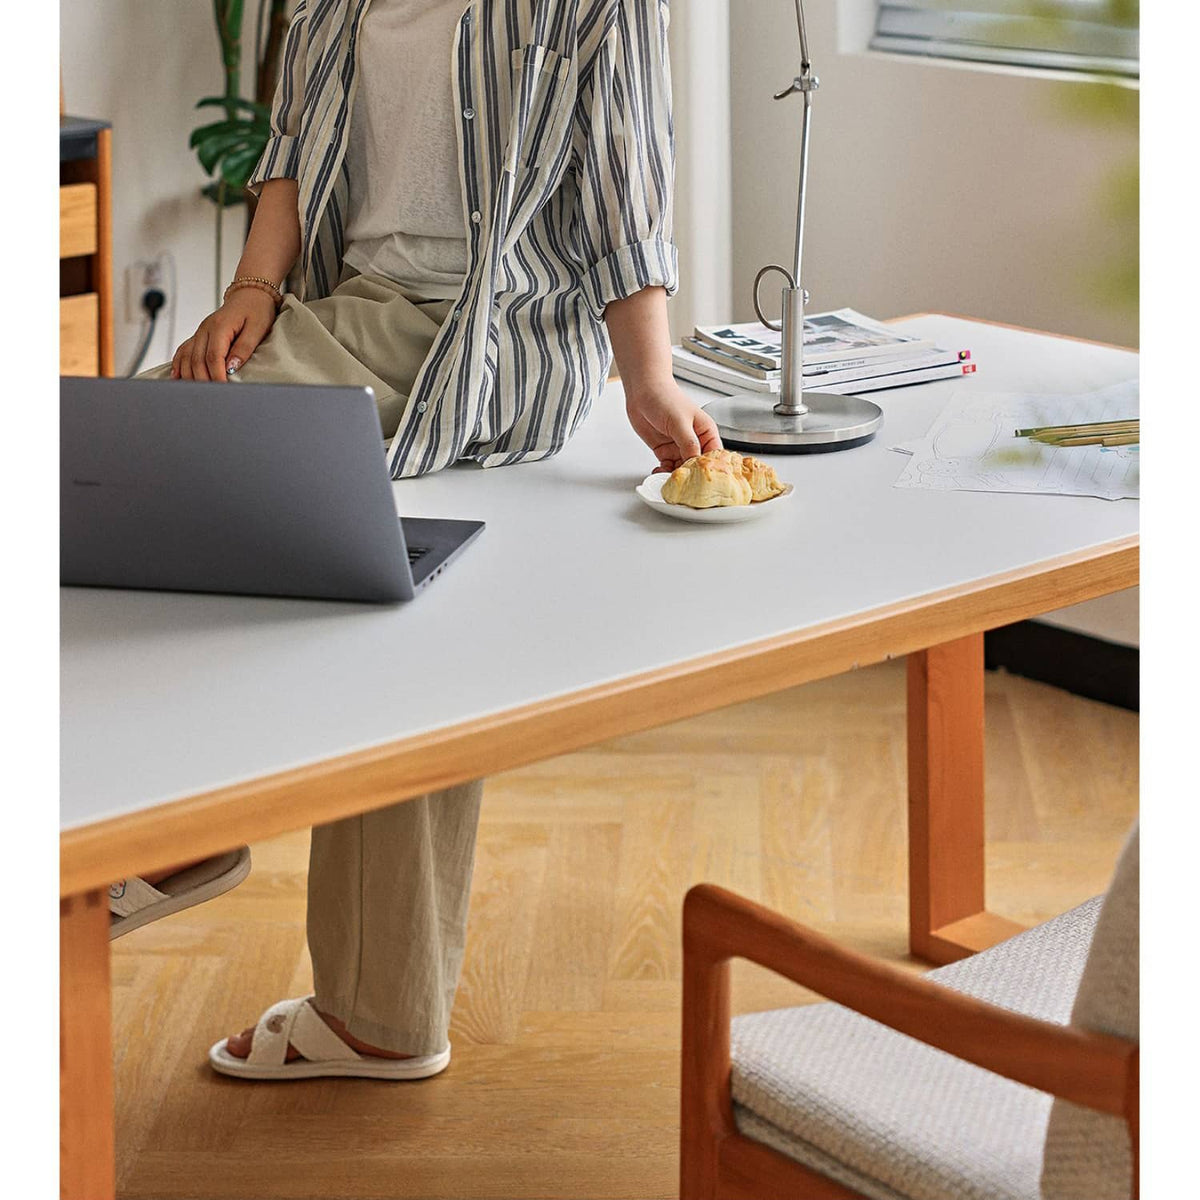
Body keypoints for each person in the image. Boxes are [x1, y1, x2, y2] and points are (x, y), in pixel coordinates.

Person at [120, 0, 719, 1080]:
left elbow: (625, 184)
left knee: (153, 466)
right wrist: (250, 294)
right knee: (375, 591)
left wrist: (652, 381)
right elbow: (295, 148)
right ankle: (378, 1011)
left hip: (497, 340)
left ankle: (172, 827)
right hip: (355, 310)